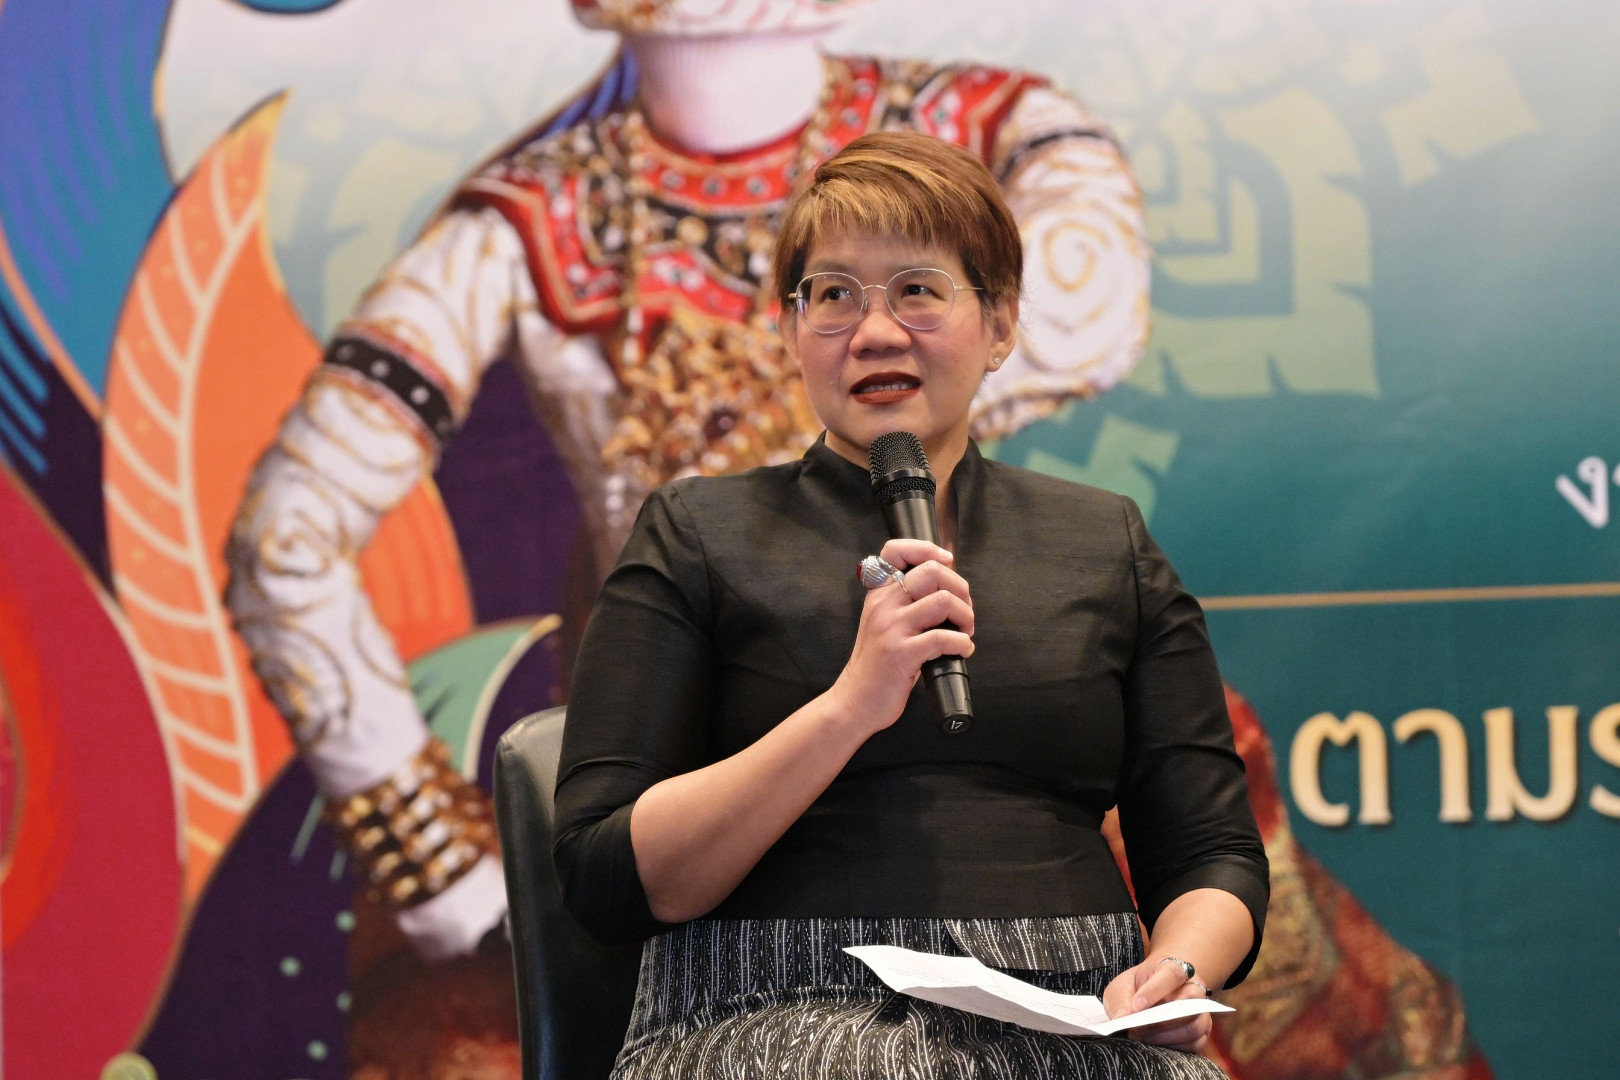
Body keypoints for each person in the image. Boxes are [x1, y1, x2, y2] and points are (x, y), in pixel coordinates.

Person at [553, 131, 1268, 1079]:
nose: (876, 331)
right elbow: (606, 875)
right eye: (833, 296)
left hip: (1074, 1016)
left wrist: (1176, 971)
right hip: (774, 1012)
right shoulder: (697, 533)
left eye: (919, 290)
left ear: (1001, 323)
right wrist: (852, 705)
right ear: (791, 331)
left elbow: (1213, 853)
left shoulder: (1104, 542)